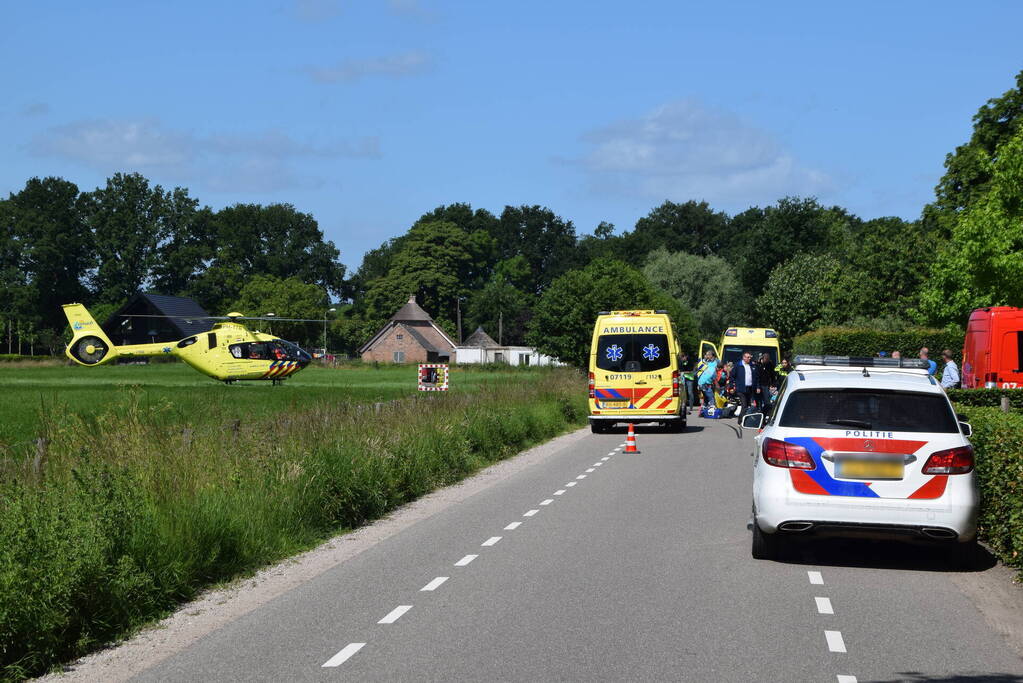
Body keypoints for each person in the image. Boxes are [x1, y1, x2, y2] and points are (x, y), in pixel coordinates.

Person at [730, 351, 760, 418]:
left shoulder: (752, 365)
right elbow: (732, 376)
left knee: (749, 405)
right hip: (741, 389)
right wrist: (731, 386)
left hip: (750, 388)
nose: (749, 358)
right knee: (744, 405)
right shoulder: (738, 365)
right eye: (748, 357)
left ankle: (746, 419)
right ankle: (740, 421)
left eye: (750, 357)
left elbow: (756, 377)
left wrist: (758, 387)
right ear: (743, 357)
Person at [679, 351, 698, 415]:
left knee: (690, 393)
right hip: (683, 378)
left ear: (686, 356)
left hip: (690, 379)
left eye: (682, 357)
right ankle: (684, 406)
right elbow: (680, 369)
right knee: (684, 393)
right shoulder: (681, 362)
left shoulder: (690, 361)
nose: (682, 359)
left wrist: (683, 372)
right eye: (681, 358)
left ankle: (691, 407)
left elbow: (691, 370)